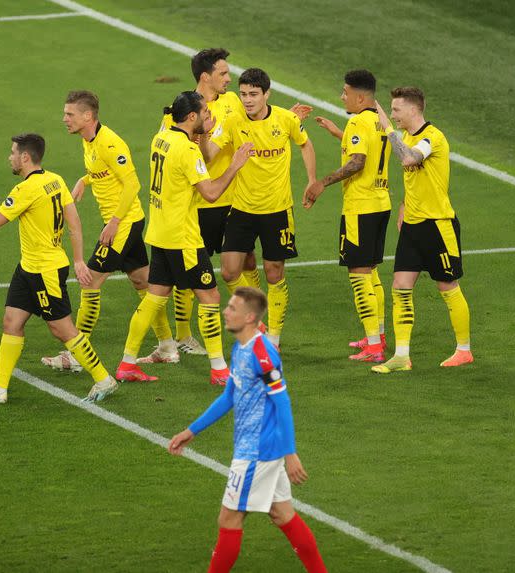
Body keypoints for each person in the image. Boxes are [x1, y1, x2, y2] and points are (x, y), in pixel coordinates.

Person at [0, 133, 117, 403]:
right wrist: (77, 259)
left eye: (13, 152)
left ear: (25, 157)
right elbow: (74, 222)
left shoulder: (25, 189)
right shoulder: (56, 180)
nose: (10, 157)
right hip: (29, 267)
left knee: (62, 329)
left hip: (44, 270)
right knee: (11, 322)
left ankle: (103, 378)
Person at [168, 287, 327, 573]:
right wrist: (191, 431)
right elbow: (229, 395)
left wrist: (291, 453)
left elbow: (283, 403)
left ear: (250, 316)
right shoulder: (240, 347)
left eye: (232, 308)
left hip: (256, 451)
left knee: (229, 520)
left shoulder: (263, 353)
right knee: (282, 514)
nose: (225, 312)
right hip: (261, 448)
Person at [115, 91, 253, 385]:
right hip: (184, 238)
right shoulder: (187, 151)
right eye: (204, 114)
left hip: (161, 232)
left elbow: (188, 158)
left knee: (154, 298)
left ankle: (127, 364)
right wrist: (235, 163)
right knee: (210, 297)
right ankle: (219, 370)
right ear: (192, 117)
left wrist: (203, 135)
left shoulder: (161, 138)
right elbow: (212, 192)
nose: (208, 117)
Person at [41, 90, 176, 372]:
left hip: (122, 223)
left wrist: (114, 222)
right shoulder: (89, 141)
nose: (64, 119)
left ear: (87, 116)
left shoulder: (110, 144)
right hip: (123, 221)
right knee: (143, 283)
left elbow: (132, 185)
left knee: (89, 282)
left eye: (70, 114)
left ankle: (77, 354)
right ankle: (167, 346)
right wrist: (84, 180)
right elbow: (103, 171)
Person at [199, 67, 317, 347]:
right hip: (242, 210)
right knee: (229, 271)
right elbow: (208, 155)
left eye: (253, 94)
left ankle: (272, 336)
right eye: (243, 94)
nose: (247, 100)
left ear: (267, 94)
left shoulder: (286, 119)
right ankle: (258, 318)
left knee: (275, 272)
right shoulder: (232, 120)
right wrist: (204, 135)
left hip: (277, 211)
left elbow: (306, 144)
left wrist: (312, 180)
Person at [159, 48, 261, 356]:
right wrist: (203, 136)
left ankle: (252, 325)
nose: (229, 79)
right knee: (187, 278)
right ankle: (183, 335)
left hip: (231, 202)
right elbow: (193, 157)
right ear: (206, 77)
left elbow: (256, 118)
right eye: (223, 74)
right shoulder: (180, 112)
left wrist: (287, 120)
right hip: (198, 206)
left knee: (244, 263)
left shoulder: (232, 102)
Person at [371, 88, 473, 372]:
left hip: (438, 225)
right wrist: (404, 204)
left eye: (396, 110)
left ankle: (464, 350)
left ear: (413, 110)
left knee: (447, 287)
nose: (393, 115)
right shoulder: (408, 136)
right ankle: (402, 356)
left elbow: (409, 160)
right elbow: (415, 179)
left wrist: (389, 130)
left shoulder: (432, 137)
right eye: (390, 110)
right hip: (413, 226)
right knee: (400, 287)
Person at [305, 69, 391, 363]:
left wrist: (322, 183)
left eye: (345, 92)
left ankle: (374, 347)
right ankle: (376, 336)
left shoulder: (357, 120)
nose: (342, 97)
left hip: (360, 206)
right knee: (372, 272)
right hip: (380, 203)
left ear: (359, 96)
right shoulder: (379, 120)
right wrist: (339, 134)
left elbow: (357, 162)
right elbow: (371, 149)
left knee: (358, 274)